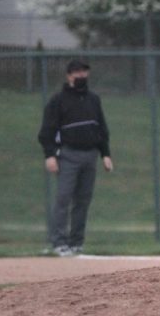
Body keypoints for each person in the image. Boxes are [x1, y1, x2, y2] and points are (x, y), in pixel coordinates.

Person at [37, 59, 113, 256]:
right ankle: (59, 242)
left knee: (83, 201)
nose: (81, 76)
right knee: (63, 198)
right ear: (69, 75)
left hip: (90, 156)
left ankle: (76, 242)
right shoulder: (58, 100)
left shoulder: (93, 99)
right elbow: (47, 131)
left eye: (84, 72)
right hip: (68, 155)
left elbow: (101, 128)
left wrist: (105, 154)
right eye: (77, 72)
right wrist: (50, 155)